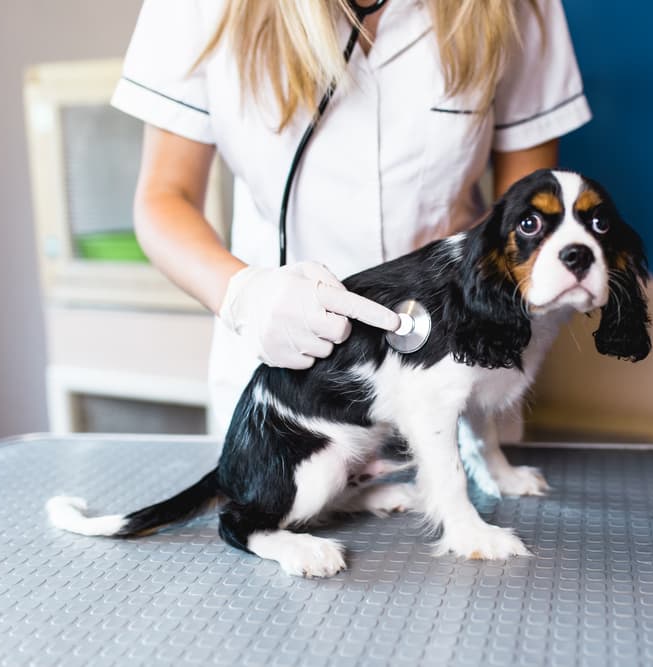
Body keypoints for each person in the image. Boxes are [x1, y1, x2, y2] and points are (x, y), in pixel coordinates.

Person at [112, 0, 591, 434]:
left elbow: (528, 211)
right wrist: (243, 295)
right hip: (291, 398)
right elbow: (162, 197)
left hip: (461, 379)